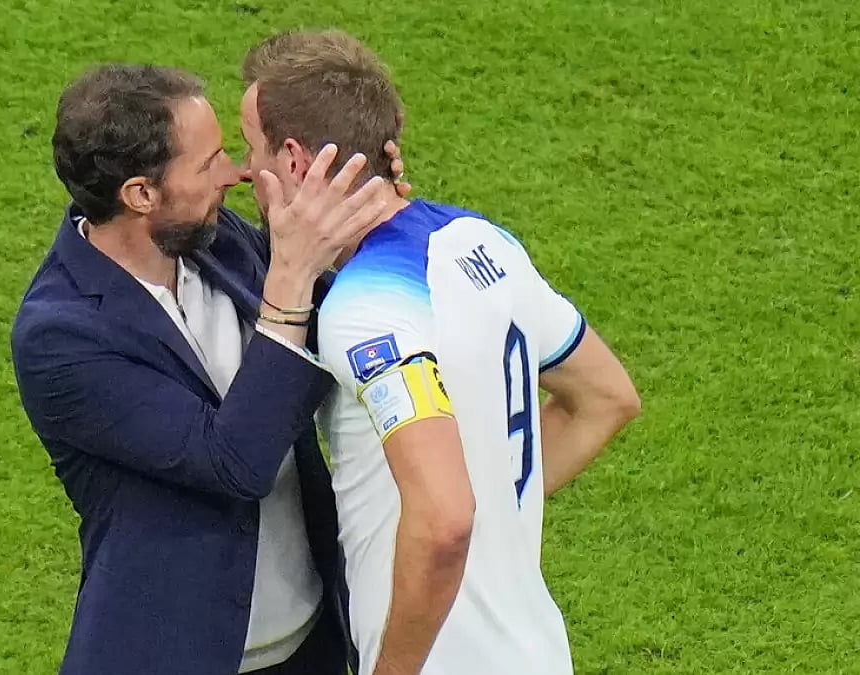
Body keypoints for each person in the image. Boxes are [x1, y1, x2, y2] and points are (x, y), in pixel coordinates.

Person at [240, 30, 642, 675]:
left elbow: (445, 517)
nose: (241, 171)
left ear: (292, 160)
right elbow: (605, 398)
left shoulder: (366, 311)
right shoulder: (477, 240)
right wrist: (498, 524)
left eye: (251, 149)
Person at [10, 63, 401, 675]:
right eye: (209, 161)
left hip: (311, 641)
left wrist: (366, 223)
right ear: (141, 194)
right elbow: (235, 462)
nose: (236, 173)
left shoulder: (212, 241)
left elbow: (333, 329)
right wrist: (290, 279)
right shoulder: (62, 337)